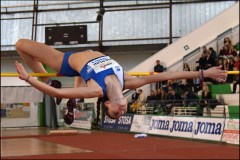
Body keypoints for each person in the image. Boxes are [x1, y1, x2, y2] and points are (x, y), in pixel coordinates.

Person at [15, 39, 228, 119]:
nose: (122, 111)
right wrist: (203, 73)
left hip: (68, 62)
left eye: (115, 113)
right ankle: (67, 98)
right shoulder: (128, 82)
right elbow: (170, 75)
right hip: (88, 57)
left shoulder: (96, 91)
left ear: (107, 103)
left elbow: (57, 93)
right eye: (122, 113)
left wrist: (29, 79)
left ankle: (48, 80)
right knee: (90, 50)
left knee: (20, 45)